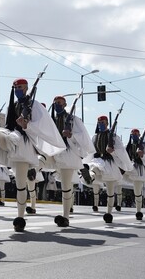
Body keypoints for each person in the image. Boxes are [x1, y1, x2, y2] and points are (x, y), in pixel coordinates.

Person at [0, 78, 66, 231]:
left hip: (24, 146)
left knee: (20, 185)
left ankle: (20, 217)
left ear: (27, 88)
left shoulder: (34, 105)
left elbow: (42, 128)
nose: (17, 89)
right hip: (11, 140)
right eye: (15, 87)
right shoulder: (14, 105)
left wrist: (27, 125)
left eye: (20, 87)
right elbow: (9, 125)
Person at [49, 95, 93, 227]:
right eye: (56, 102)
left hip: (67, 154)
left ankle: (66, 217)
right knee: (38, 161)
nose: (58, 105)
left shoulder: (73, 120)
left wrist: (71, 135)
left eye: (60, 103)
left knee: (66, 186)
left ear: (65, 104)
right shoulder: (51, 120)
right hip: (53, 152)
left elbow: (83, 139)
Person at [80, 115, 133, 223]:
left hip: (110, 164)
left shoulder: (113, 137)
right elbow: (90, 149)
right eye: (99, 122)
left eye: (103, 122)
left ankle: (109, 213)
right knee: (93, 167)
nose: (100, 124)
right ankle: (90, 177)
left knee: (110, 191)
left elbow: (121, 151)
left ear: (107, 123)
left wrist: (112, 151)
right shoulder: (95, 136)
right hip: (98, 159)